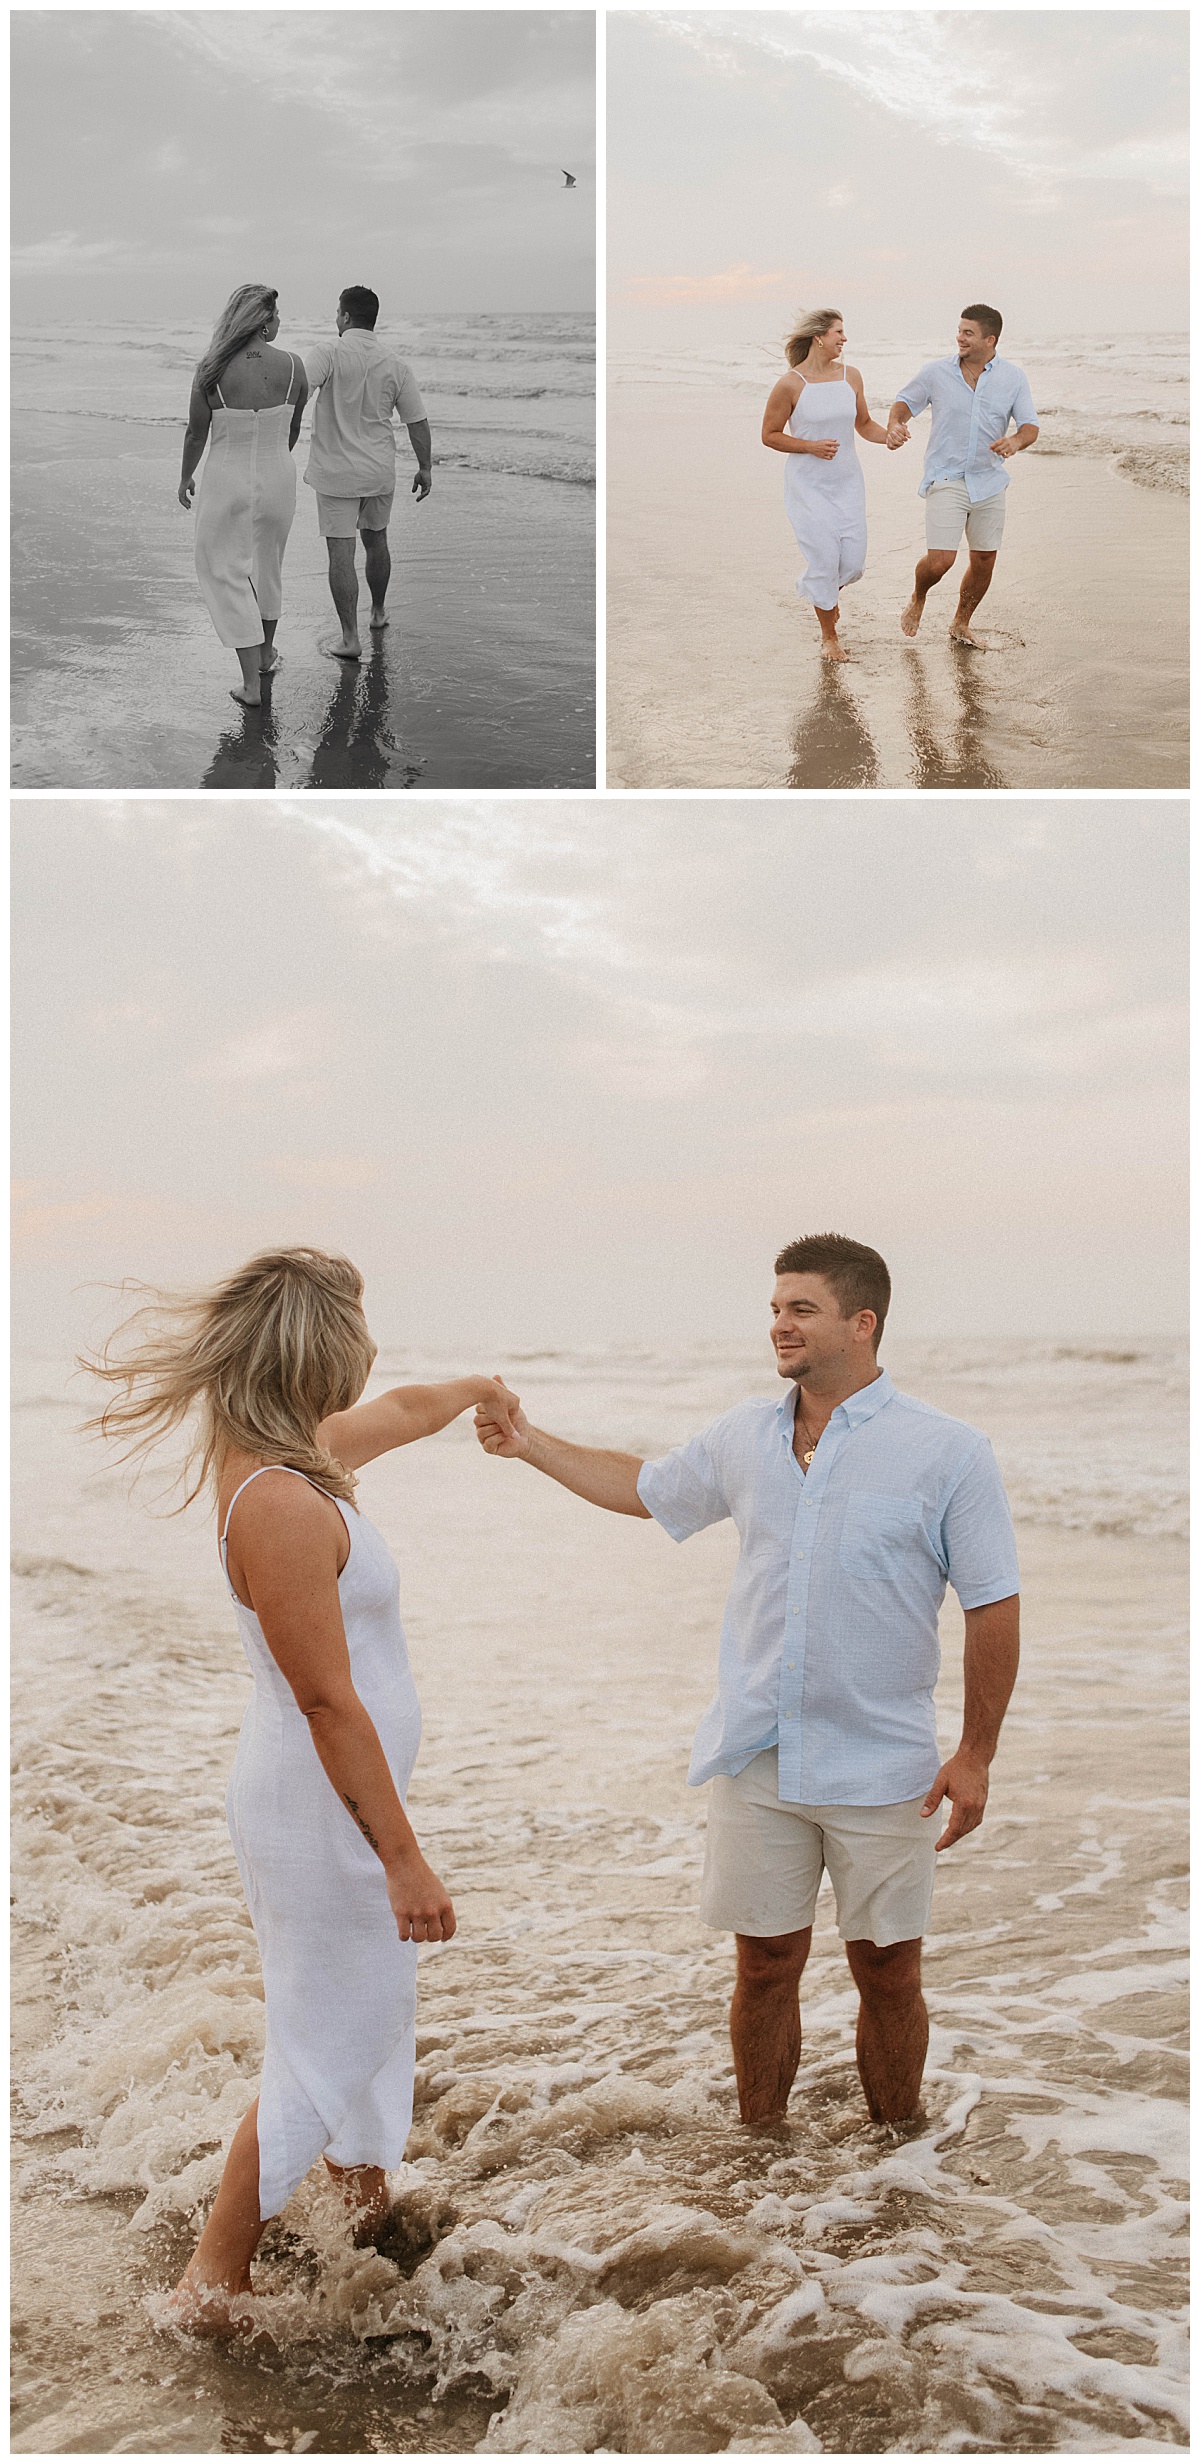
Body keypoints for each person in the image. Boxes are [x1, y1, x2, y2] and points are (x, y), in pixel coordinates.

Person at [474, 1233, 1020, 2134]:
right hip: (757, 1749)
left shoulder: (947, 1452)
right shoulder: (744, 1436)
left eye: (800, 1308)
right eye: (775, 1308)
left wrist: (976, 1753)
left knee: (888, 1971)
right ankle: (760, 2148)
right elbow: (645, 1488)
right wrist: (528, 1442)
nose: (779, 1325)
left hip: (885, 1765)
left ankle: (897, 2152)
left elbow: (992, 1605)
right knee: (763, 1962)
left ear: (862, 1322)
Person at [85, 1246, 520, 2329]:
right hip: (318, 1806)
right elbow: (327, 1700)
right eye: (353, 1340)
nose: (367, 1363)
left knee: (369, 2019)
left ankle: (361, 2216)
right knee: (326, 2037)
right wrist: (404, 1856)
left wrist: (477, 1390)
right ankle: (209, 2284)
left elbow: (412, 1409)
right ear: (319, 1355)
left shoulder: (300, 1455)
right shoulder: (278, 1500)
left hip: (329, 1799)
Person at [180, 285, 308, 708]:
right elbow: (292, 431)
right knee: (268, 566)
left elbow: (197, 432)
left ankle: (251, 684)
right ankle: (267, 654)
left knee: (223, 569)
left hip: (225, 475)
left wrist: (185, 477)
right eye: (276, 315)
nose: (279, 322)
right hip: (278, 476)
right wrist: (270, 468)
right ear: (264, 320)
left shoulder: (211, 369)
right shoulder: (294, 367)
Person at [887, 305, 1039, 648]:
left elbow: (1030, 426)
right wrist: (895, 425)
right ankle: (919, 595)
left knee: (984, 559)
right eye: (959, 331)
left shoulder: (1013, 378)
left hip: (989, 480)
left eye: (968, 333)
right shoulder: (935, 372)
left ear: (990, 339)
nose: (959, 337)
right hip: (946, 476)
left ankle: (961, 622)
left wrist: (1015, 441)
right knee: (941, 561)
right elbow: (903, 403)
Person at [302, 286, 433, 661]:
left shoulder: (327, 352)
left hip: (335, 473)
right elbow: (417, 422)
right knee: (377, 542)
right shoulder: (395, 363)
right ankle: (377, 613)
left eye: (337, 313)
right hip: (378, 470)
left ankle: (349, 638)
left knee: (340, 553)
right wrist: (425, 468)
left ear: (345, 316)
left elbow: (299, 393)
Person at [761, 311, 891, 663]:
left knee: (852, 564)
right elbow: (769, 436)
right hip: (808, 485)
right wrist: (810, 446)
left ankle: (824, 595)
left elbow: (865, 425)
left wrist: (888, 437)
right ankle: (829, 636)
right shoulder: (790, 384)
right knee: (824, 557)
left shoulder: (852, 377)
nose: (844, 339)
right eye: (838, 332)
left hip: (848, 482)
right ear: (819, 337)